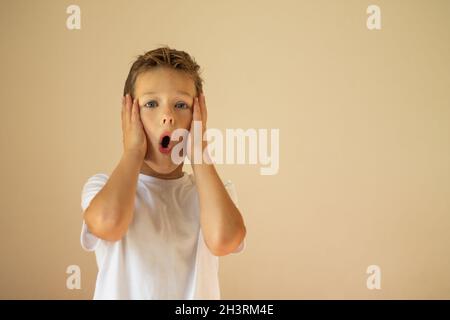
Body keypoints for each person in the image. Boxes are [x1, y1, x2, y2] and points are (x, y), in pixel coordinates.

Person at [80, 46, 246, 299]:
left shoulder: (211, 194)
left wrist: (199, 152)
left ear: (197, 117)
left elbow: (224, 239)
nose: (167, 116)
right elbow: (108, 224)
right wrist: (133, 152)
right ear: (129, 115)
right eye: (151, 104)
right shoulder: (102, 187)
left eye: (181, 104)